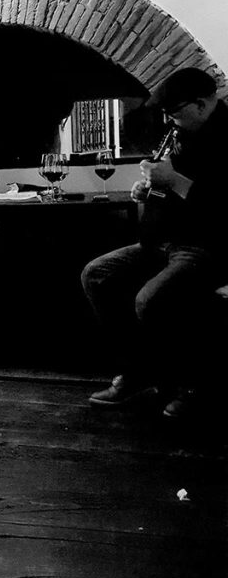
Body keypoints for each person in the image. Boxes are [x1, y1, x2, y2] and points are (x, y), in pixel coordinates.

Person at [81, 67, 228, 417]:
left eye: (174, 113)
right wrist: (149, 191)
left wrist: (173, 180)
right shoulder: (182, 132)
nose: (169, 121)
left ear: (202, 104)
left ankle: (195, 385)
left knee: (151, 300)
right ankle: (138, 372)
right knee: (96, 275)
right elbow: (174, 193)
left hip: (206, 247)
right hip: (163, 241)